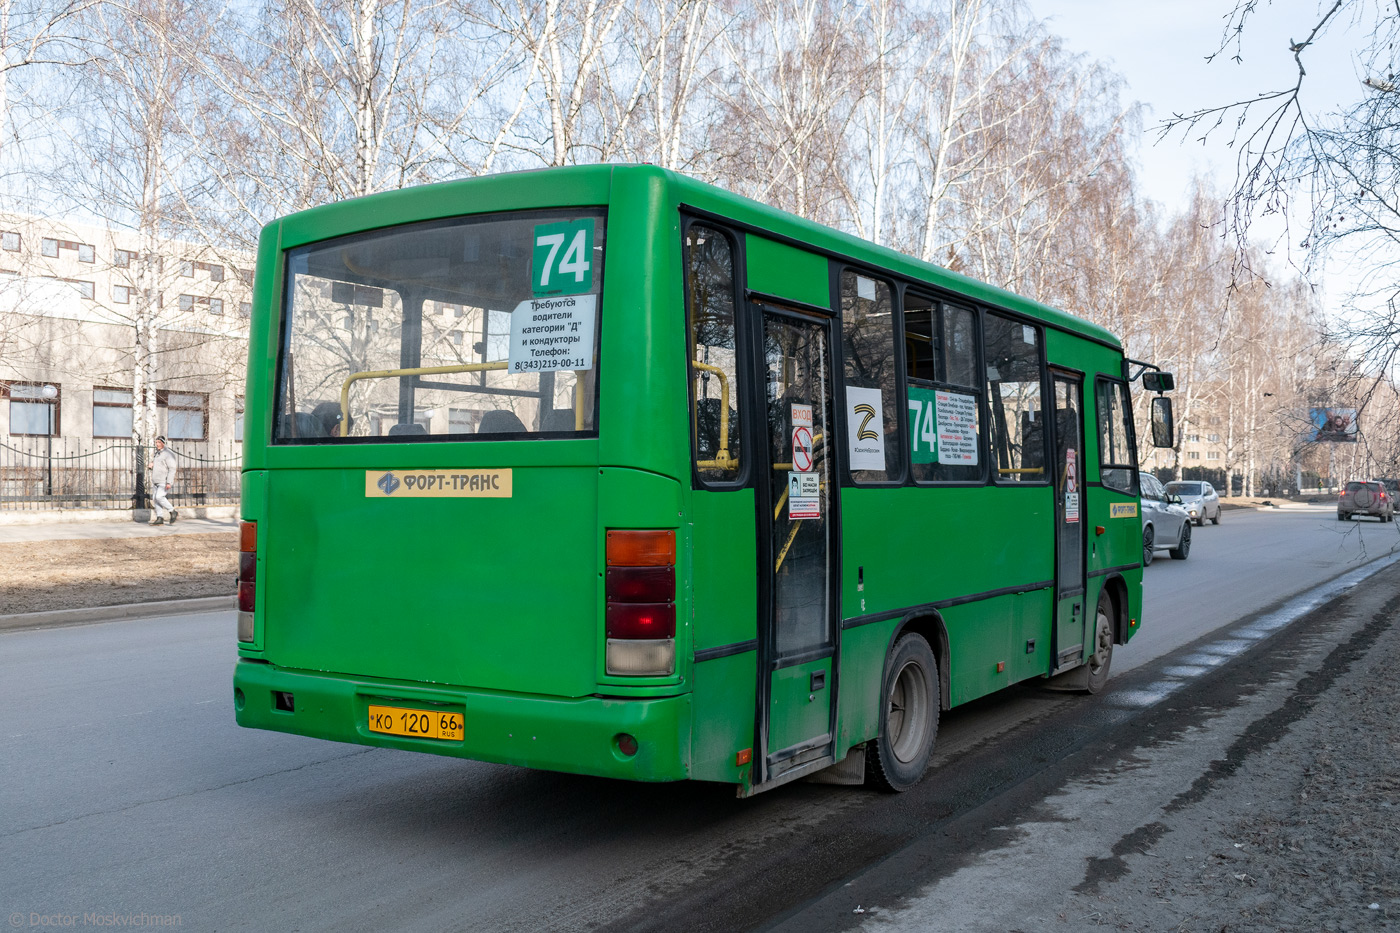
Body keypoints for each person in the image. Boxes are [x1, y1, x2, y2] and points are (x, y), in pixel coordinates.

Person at [149, 435, 178, 526]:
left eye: (159, 442)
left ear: (163, 443)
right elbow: (160, 466)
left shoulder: (168, 454)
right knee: (155, 499)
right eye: (156, 442)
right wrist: (152, 466)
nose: (157, 444)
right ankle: (159, 517)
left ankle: (172, 511)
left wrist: (169, 482)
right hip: (156, 481)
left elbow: (172, 468)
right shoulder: (157, 454)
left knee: (159, 497)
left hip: (164, 481)